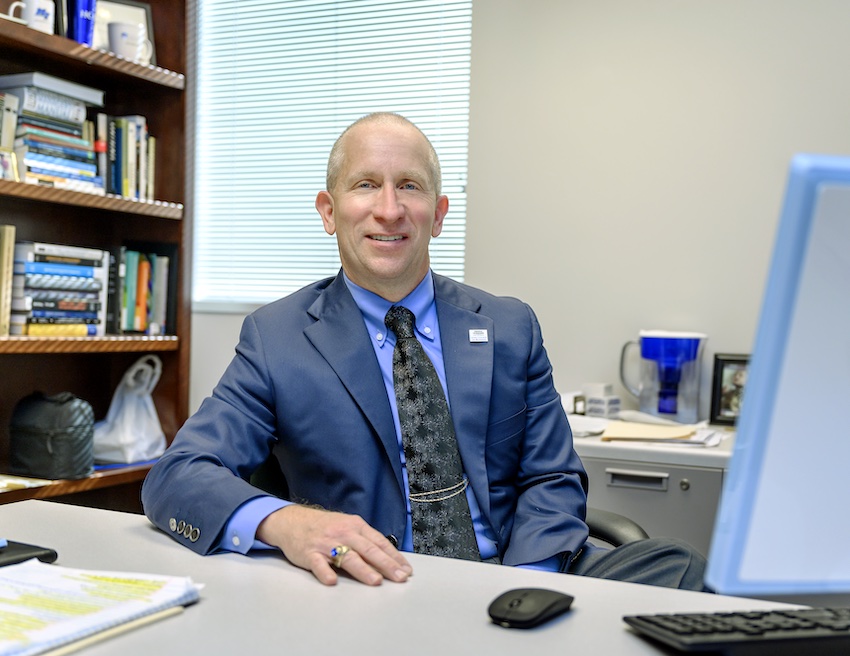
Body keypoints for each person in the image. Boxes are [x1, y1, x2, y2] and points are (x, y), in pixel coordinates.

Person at [142, 112, 708, 590]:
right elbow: (178, 475)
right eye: (366, 185)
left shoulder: (509, 326)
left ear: (437, 214)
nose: (389, 209)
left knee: (683, 569)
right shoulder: (278, 337)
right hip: (375, 584)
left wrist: (525, 589)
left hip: (516, 575)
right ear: (328, 211)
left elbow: (552, 478)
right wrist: (289, 524)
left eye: (409, 186)